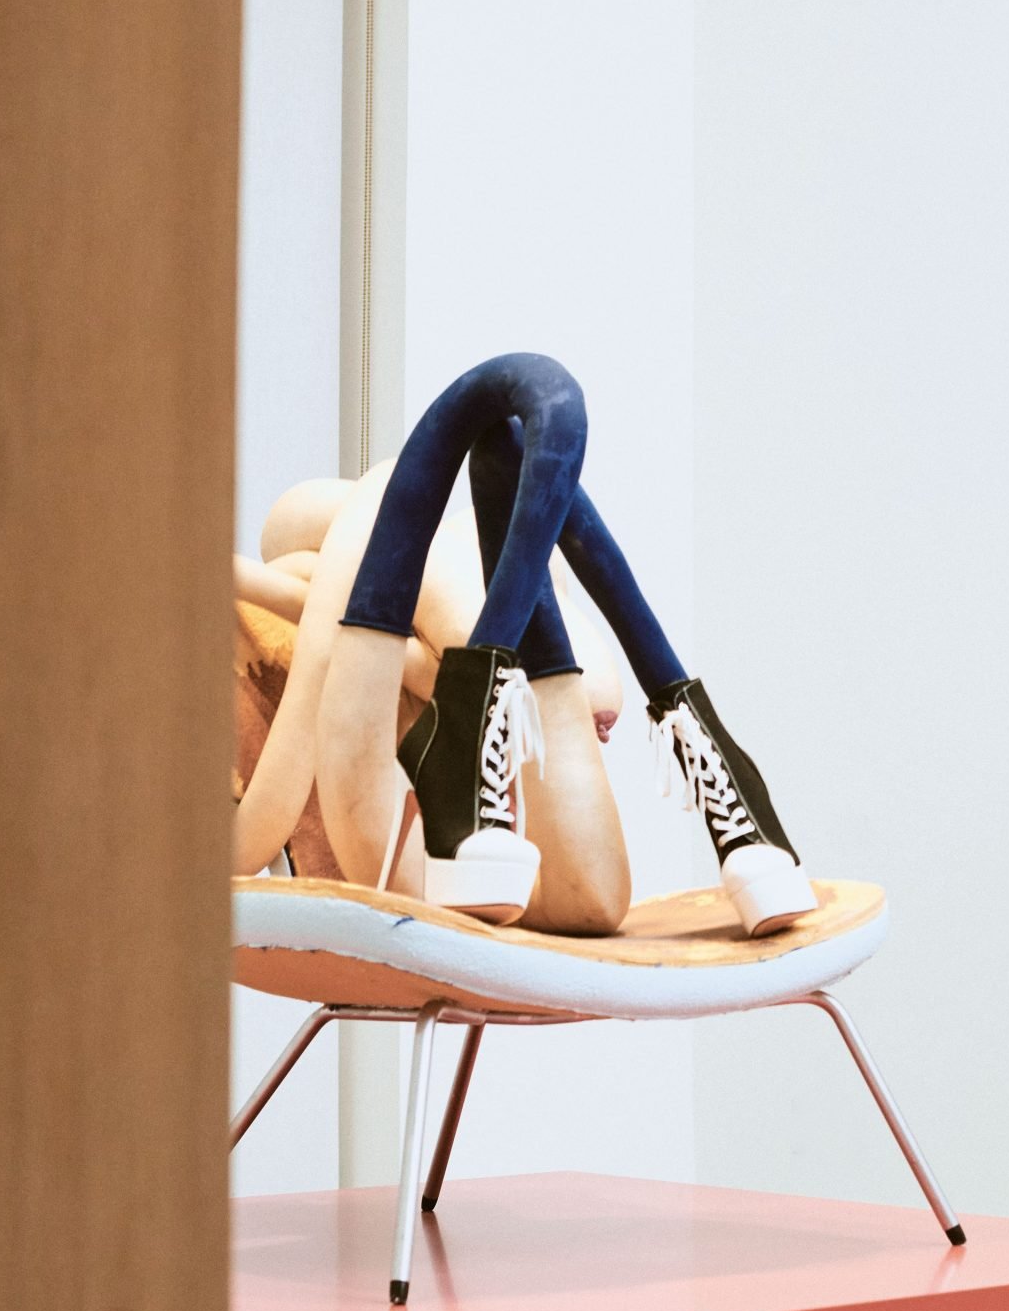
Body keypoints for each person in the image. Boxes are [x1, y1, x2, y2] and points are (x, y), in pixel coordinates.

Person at [234, 352, 817, 938]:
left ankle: (476, 727)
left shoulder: (426, 559)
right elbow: (243, 848)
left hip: (515, 690)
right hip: (412, 819)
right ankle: (713, 766)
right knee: (463, 454)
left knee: (509, 437)